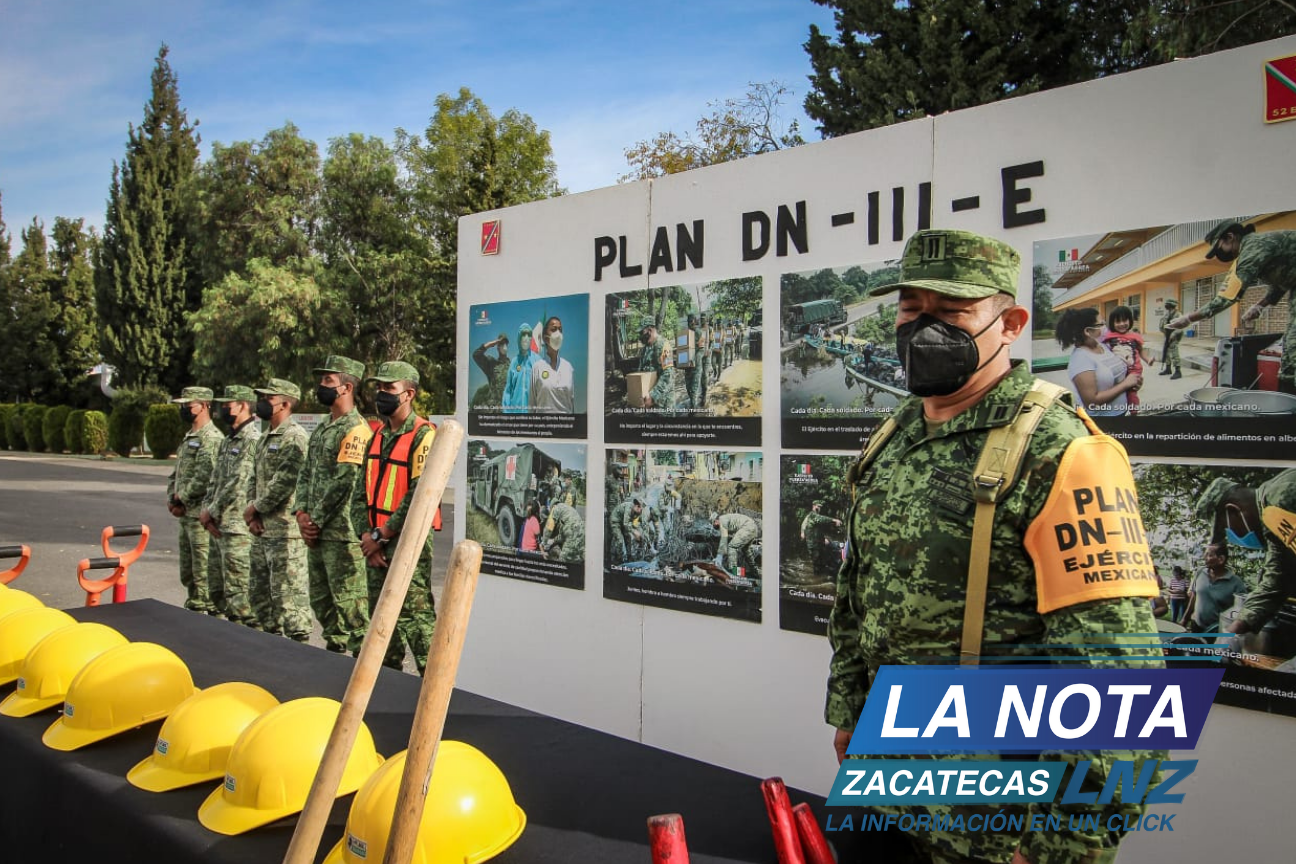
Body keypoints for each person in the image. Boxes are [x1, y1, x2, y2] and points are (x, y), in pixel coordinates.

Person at [828, 229, 1163, 864]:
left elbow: (1120, 680)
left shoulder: (1064, 451)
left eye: (951, 313)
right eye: (911, 310)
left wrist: (1058, 847)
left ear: (1009, 323)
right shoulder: (896, 432)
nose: (923, 330)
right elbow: (858, 588)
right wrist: (850, 711)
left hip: (995, 823)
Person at [351, 360, 437, 672]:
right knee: (380, 624)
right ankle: (386, 683)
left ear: (409, 394)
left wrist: (382, 535)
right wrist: (366, 535)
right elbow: (359, 490)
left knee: (416, 620)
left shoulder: (423, 435)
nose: (381, 393)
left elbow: (420, 493)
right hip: (374, 543)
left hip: (406, 541)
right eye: (379, 387)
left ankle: (436, 691)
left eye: (389, 388)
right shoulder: (376, 435)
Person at [296, 355, 372, 656]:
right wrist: (301, 513)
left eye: (328, 381)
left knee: (351, 605)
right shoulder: (323, 427)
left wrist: (313, 520)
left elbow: (345, 481)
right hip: (316, 532)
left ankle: (361, 663)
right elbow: (305, 473)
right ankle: (334, 655)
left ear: (347, 387)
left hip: (341, 534)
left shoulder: (356, 429)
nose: (321, 386)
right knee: (322, 601)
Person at [1169, 221, 1296, 393]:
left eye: (1219, 246)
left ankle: (1288, 407)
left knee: (1292, 353)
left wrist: (1189, 318)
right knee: (1291, 351)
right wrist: (1259, 306)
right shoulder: (1258, 245)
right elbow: (1282, 280)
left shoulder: (1252, 248)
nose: (1218, 254)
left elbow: (1228, 296)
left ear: (1230, 237)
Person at [1195, 472, 1296, 655]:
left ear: (1233, 511)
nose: (1233, 540)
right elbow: (1277, 580)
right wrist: (1231, 632)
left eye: (1227, 533)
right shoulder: (1273, 524)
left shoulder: (1281, 497)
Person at [243, 378, 312, 642]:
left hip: (286, 531)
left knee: (289, 601)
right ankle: (269, 651)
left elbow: (284, 481)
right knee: (261, 599)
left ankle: (300, 652)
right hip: (262, 530)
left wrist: (254, 509)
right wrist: (253, 513)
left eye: (267, 399)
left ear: (284, 403)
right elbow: (254, 478)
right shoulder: (264, 438)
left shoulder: (295, 437)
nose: (261, 403)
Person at [198, 385, 261, 627]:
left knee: (239, 594)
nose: (223, 408)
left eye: (228, 404)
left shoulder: (251, 440)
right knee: (217, 591)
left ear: (244, 405)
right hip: (217, 524)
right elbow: (215, 479)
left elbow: (239, 481)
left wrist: (210, 512)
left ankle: (249, 642)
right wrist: (208, 510)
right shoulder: (228, 440)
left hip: (236, 528)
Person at [166, 386, 223, 615]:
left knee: (203, 574)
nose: (184, 410)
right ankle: (193, 610)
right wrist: (172, 497)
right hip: (185, 514)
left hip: (200, 517)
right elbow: (177, 472)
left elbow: (205, 476)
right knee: (188, 572)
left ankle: (206, 616)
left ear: (205, 405)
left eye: (188, 405)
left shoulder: (211, 438)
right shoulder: (190, 436)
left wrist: (182, 497)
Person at [1055, 306, 1139, 417]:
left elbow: (1118, 376)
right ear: (1088, 331)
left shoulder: (1104, 346)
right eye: (1101, 324)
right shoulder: (1081, 359)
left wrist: (1133, 383)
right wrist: (1125, 384)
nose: (1106, 327)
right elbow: (1092, 401)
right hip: (1101, 421)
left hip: (1120, 414)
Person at [1183, 542, 1248, 640]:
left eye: (1209, 555)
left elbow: (1242, 610)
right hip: (1196, 626)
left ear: (1221, 559)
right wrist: (1185, 619)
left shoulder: (1236, 583)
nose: (1204, 557)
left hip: (1217, 632)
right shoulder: (1200, 572)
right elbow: (1194, 596)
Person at [1100, 305, 1155, 406]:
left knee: (1131, 392)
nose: (1122, 324)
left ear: (1130, 320)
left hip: (1134, 370)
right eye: (1118, 321)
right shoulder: (1109, 336)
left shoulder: (1135, 336)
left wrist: (1148, 359)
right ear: (1112, 323)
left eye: (1125, 320)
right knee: (1116, 390)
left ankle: (1134, 411)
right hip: (1118, 369)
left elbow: (1141, 350)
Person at [530, 316, 575, 413]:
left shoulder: (568, 367)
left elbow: (572, 405)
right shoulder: (537, 368)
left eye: (560, 330)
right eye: (554, 329)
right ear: (545, 338)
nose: (558, 333)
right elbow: (532, 407)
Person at [636, 318, 676, 410]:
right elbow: (640, 373)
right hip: (648, 402)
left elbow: (668, 375)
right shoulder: (644, 350)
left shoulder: (663, 345)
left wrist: (653, 396)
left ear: (649, 330)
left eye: (642, 332)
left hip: (664, 404)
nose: (640, 336)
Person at [502, 322, 538, 413]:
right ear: (518, 337)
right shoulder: (514, 362)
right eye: (523, 334)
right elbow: (508, 391)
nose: (526, 338)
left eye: (529, 334)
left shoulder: (538, 361)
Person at [799, 500, 843, 571]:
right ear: (813, 506)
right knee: (817, 566)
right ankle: (816, 579)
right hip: (814, 545)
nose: (819, 508)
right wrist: (834, 520)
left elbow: (817, 530)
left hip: (819, 544)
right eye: (818, 506)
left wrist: (824, 539)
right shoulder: (813, 515)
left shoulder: (813, 516)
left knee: (823, 562)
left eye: (820, 507)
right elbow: (821, 519)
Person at [712, 511, 759, 575]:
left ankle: (734, 572)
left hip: (746, 527)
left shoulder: (722, 520)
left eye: (713, 524)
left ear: (715, 521)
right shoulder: (726, 518)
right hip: (753, 527)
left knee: (732, 547)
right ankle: (755, 571)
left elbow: (724, 538)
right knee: (745, 549)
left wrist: (719, 556)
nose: (715, 526)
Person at [471, 334, 511, 407]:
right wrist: (490, 344)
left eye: (505, 344)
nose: (504, 346)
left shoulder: (513, 366)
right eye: (501, 344)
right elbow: (476, 355)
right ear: (497, 347)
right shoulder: (491, 364)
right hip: (495, 410)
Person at [609, 497, 643, 563]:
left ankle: (629, 557)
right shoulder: (629, 508)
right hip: (616, 521)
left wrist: (638, 532)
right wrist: (634, 532)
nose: (637, 506)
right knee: (619, 540)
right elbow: (626, 524)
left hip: (623, 522)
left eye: (639, 506)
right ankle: (618, 559)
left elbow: (636, 523)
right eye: (636, 504)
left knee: (628, 538)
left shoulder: (639, 512)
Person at [1158, 298, 1184, 378]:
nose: (1167, 306)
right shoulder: (1167, 313)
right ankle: (1168, 368)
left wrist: (1174, 334)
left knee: (1174, 352)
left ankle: (1178, 371)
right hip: (1167, 335)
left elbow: (1181, 326)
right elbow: (1162, 323)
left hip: (1175, 335)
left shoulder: (1178, 314)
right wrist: (1164, 333)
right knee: (1166, 351)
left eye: (1168, 304)